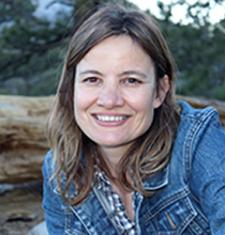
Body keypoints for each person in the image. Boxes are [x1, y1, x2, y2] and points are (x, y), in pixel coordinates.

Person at [42, 3, 225, 235]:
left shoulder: (197, 143)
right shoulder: (60, 170)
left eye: (131, 81)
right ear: (71, 89)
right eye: (92, 80)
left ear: (160, 91)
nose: (109, 100)